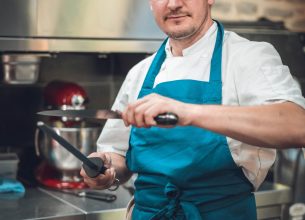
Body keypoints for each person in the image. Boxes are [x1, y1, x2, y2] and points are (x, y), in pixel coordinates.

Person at [80, 0, 305, 219]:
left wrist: (188, 112)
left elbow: (297, 126)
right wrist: (107, 169)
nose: (173, 4)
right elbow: (118, 153)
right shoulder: (139, 73)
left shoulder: (249, 58)